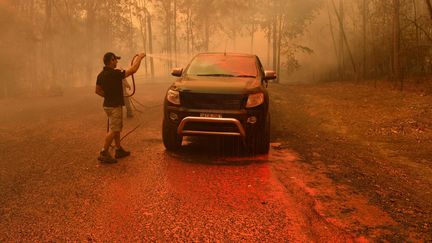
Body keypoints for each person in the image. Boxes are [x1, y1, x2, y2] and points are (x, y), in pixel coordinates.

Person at [95, 52, 146, 163]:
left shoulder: (100, 75)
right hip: (115, 107)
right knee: (114, 130)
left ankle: (118, 150)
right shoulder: (115, 73)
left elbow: (97, 90)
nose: (117, 62)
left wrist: (108, 96)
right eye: (115, 60)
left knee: (116, 128)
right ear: (111, 61)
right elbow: (133, 70)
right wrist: (140, 58)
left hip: (107, 106)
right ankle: (104, 152)